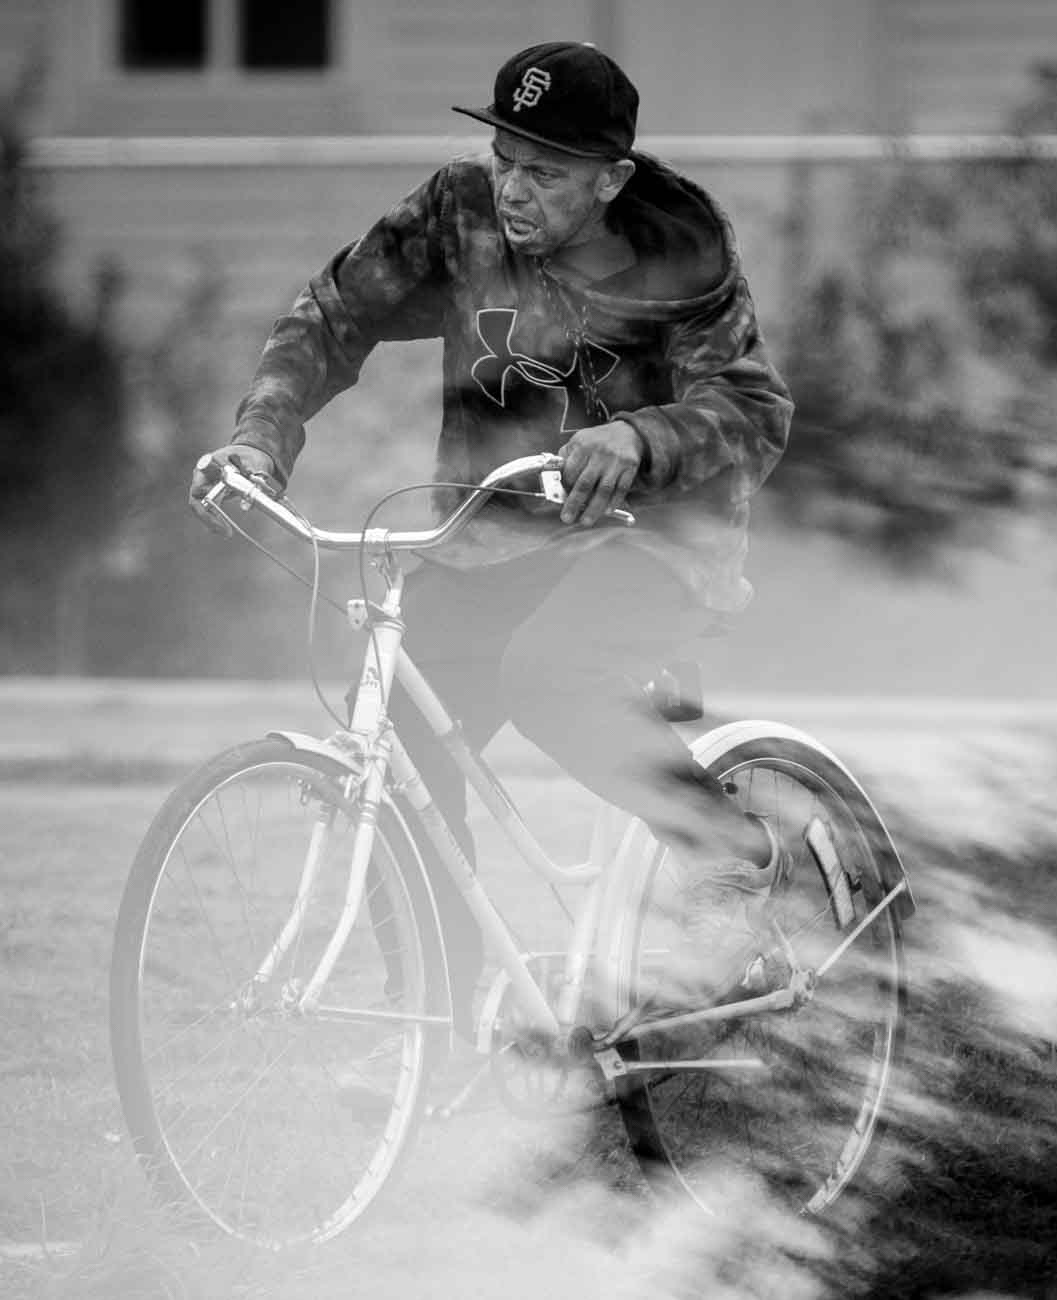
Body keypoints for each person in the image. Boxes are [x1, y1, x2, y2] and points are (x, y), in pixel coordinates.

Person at [188, 41, 793, 1058]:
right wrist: (262, 436)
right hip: (492, 532)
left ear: (612, 181)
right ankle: (433, 1020)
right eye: (508, 158)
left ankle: (726, 853)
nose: (516, 188)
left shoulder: (676, 250)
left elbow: (754, 406)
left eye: (548, 173)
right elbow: (334, 315)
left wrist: (642, 436)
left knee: (553, 673)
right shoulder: (457, 217)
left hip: (653, 534)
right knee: (405, 735)